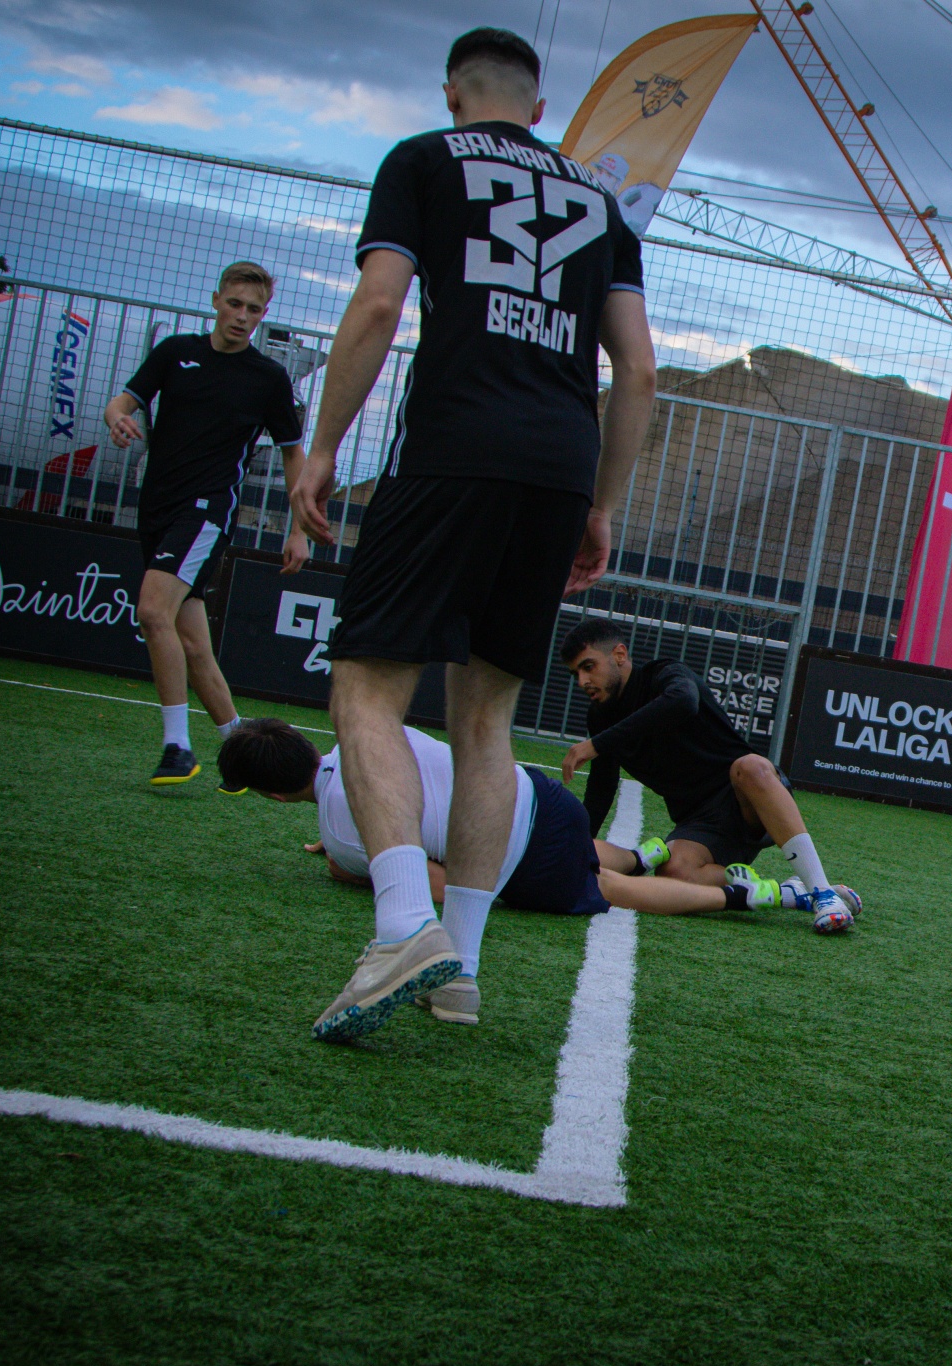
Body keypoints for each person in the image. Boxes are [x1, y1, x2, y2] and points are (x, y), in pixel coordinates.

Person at [284, 27, 658, 1042]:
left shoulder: (421, 160)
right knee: (486, 721)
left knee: (366, 687)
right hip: (558, 469)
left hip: (453, 450)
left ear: (453, 94)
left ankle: (404, 926)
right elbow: (637, 370)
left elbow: (378, 305)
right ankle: (462, 972)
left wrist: (323, 447)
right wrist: (600, 504)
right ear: (539, 110)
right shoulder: (601, 203)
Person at [216, 718, 783, 1024]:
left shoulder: (342, 832)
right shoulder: (372, 736)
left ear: (273, 795)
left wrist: (357, 870)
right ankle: (644, 852)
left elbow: (442, 884)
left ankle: (743, 896)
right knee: (569, 844)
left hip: (524, 851)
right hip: (539, 794)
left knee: (607, 889)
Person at [103, 261, 305, 786]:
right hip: (157, 509)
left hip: (206, 511)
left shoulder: (268, 378)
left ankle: (177, 748)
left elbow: (292, 452)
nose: (242, 316)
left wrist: (299, 528)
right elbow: (123, 401)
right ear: (216, 300)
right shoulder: (176, 352)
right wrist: (117, 416)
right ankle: (245, 751)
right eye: (234, 304)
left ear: (263, 314)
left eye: (254, 309)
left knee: (153, 612)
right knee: (192, 644)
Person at [558, 618, 861, 933]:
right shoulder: (600, 717)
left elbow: (683, 703)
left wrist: (598, 744)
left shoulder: (665, 675)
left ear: (619, 655)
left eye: (589, 667)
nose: (582, 681)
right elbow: (602, 788)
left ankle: (822, 892)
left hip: (746, 797)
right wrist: (579, 849)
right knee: (672, 872)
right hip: (700, 823)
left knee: (751, 766)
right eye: (575, 673)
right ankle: (789, 892)